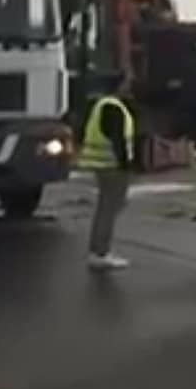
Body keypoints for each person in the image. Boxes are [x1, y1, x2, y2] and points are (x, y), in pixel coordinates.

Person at [76, 77, 137, 271]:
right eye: (127, 83)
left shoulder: (102, 105)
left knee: (108, 207)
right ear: (119, 85)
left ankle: (98, 250)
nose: (129, 87)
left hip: (104, 165)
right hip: (112, 166)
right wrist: (126, 166)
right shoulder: (113, 108)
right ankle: (100, 252)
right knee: (109, 209)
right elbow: (117, 140)